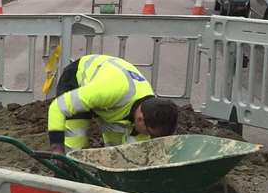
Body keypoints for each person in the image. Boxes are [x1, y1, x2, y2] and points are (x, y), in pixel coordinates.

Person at [46, 54, 179, 153]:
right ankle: (67, 176)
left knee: (116, 150)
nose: (150, 138)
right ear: (140, 120)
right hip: (77, 79)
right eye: (150, 133)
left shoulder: (151, 110)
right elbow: (57, 107)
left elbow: (132, 149)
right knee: (76, 144)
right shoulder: (110, 90)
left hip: (111, 102)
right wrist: (56, 147)